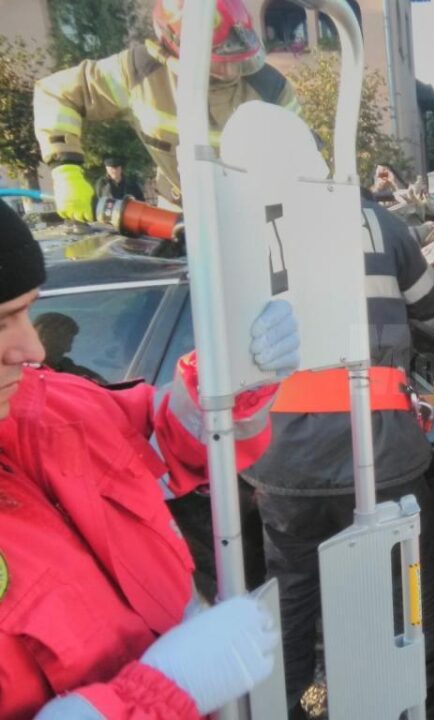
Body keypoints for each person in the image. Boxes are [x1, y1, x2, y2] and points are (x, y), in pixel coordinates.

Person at [0, 200, 302, 719]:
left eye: (28, 310)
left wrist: (232, 377)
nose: (32, 348)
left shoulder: (43, 405)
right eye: (4, 320)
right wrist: (159, 693)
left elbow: (164, 440)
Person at [243, 200, 434, 720]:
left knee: (290, 590)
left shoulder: (250, 228)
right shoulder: (381, 225)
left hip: (282, 451)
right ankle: (425, 692)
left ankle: (284, 703)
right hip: (378, 446)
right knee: (407, 580)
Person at [34, 0, 301, 218]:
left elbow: (303, 158)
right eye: (221, 59)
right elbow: (56, 92)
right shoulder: (137, 73)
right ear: (178, 45)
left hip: (256, 214)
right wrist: (65, 168)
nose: (232, 70)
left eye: (237, 56)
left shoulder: (270, 88)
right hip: (178, 211)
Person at [32, 311, 107, 384]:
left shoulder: (84, 376)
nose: (42, 336)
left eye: (61, 334)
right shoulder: (23, 372)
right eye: (41, 332)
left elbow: (109, 392)